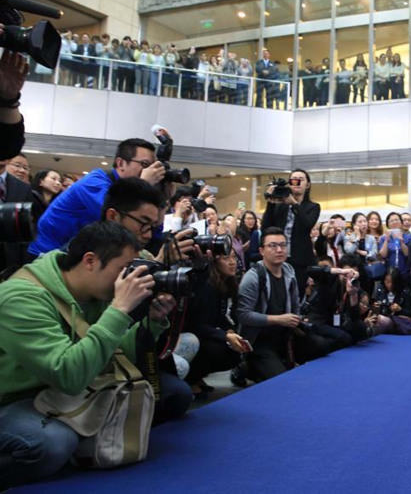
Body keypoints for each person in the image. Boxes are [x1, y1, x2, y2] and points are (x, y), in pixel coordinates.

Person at [0, 222, 177, 488]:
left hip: (63, 393)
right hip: (15, 399)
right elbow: (68, 375)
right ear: (90, 261)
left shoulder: (94, 291)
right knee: (54, 443)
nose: (126, 280)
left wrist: (150, 322)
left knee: (171, 393)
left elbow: (111, 355)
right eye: (122, 270)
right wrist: (118, 311)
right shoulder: (20, 298)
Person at [29, 138, 166, 256]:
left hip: (75, 251)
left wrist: (161, 196)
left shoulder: (123, 189)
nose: (150, 171)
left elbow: (151, 231)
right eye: (145, 165)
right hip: (46, 253)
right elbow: (120, 220)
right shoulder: (94, 182)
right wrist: (143, 184)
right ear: (121, 163)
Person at [235, 227, 317, 382]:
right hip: (259, 341)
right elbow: (242, 314)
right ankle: (245, 367)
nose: (279, 250)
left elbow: (295, 307)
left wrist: (297, 320)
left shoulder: (288, 271)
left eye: (283, 245)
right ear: (261, 250)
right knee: (280, 381)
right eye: (273, 246)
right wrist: (278, 319)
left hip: (284, 336)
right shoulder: (252, 277)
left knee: (321, 347)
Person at [185, 248, 248, 398]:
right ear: (214, 262)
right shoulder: (206, 285)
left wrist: (230, 331)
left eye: (234, 257)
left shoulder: (226, 283)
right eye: (226, 258)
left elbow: (220, 316)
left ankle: (195, 377)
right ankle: (190, 378)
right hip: (192, 335)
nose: (232, 262)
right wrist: (225, 336)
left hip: (206, 332)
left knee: (234, 350)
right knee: (221, 351)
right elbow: (198, 325)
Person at [261, 169, 321, 294]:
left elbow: (307, 224)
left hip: (299, 260)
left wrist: (294, 204)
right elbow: (266, 228)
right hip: (277, 258)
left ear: (308, 185)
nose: (297, 182)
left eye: (301, 179)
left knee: (296, 295)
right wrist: (271, 203)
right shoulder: (279, 206)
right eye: (294, 180)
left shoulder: (313, 207)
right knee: (275, 293)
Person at [378, 212, 411, 280]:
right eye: (391, 221)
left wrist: (402, 242)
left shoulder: (409, 237)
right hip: (389, 273)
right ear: (387, 224)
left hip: (405, 272)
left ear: (401, 222)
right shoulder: (383, 238)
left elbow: (408, 254)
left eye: (397, 220)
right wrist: (386, 240)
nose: (394, 222)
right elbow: (383, 255)